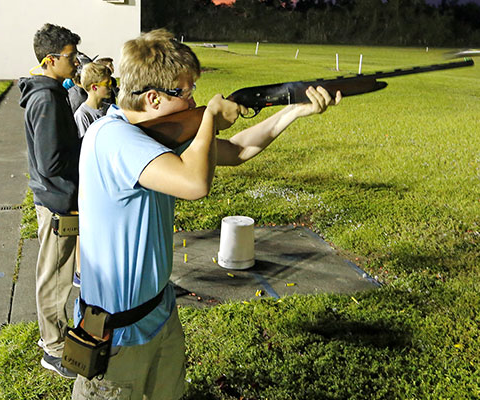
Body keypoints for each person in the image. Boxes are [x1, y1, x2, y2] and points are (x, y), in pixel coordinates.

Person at [73, 29, 340, 399]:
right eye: (186, 92)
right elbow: (195, 184)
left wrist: (294, 110)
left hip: (159, 315)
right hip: (117, 336)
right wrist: (210, 118)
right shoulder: (111, 138)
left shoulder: (151, 138)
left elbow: (236, 150)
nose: (194, 100)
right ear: (153, 99)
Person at [18, 23, 82, 379]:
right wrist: (85, 153)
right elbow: (50, 161)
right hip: (57, 201)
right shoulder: (44, 98)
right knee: (55, 275)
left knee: (59, 271)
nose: (76, 64)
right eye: (71, 58)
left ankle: (57, 336)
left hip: (60, 197)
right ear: (50, 60)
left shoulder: (53, 91)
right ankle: (53, 348)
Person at [73, 62, 113, 138]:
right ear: (94, 87)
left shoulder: (110, 109)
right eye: (107, 83)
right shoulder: (82, 115)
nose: (110, 87)